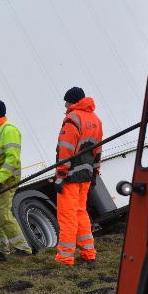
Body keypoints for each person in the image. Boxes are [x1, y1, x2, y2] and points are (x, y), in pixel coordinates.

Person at [53, 87, 103, 266]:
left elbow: (66, 150)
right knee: (81, 212)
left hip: (71, 177)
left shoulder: (72, 119)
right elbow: (98, 151)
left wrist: (60, 176)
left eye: (66, 101)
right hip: (86, 176)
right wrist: (95, 172)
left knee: (67, 216)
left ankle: (65, 257)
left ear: (73, 101)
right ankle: (88, 253)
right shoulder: (95, 120)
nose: (65, 105)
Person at [0, 100, 32, 258]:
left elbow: (13, 159)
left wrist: (0, 179)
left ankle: (23, 249)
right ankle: (1, 250)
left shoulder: (8, 130)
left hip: (6, 179)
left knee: (3, 215)